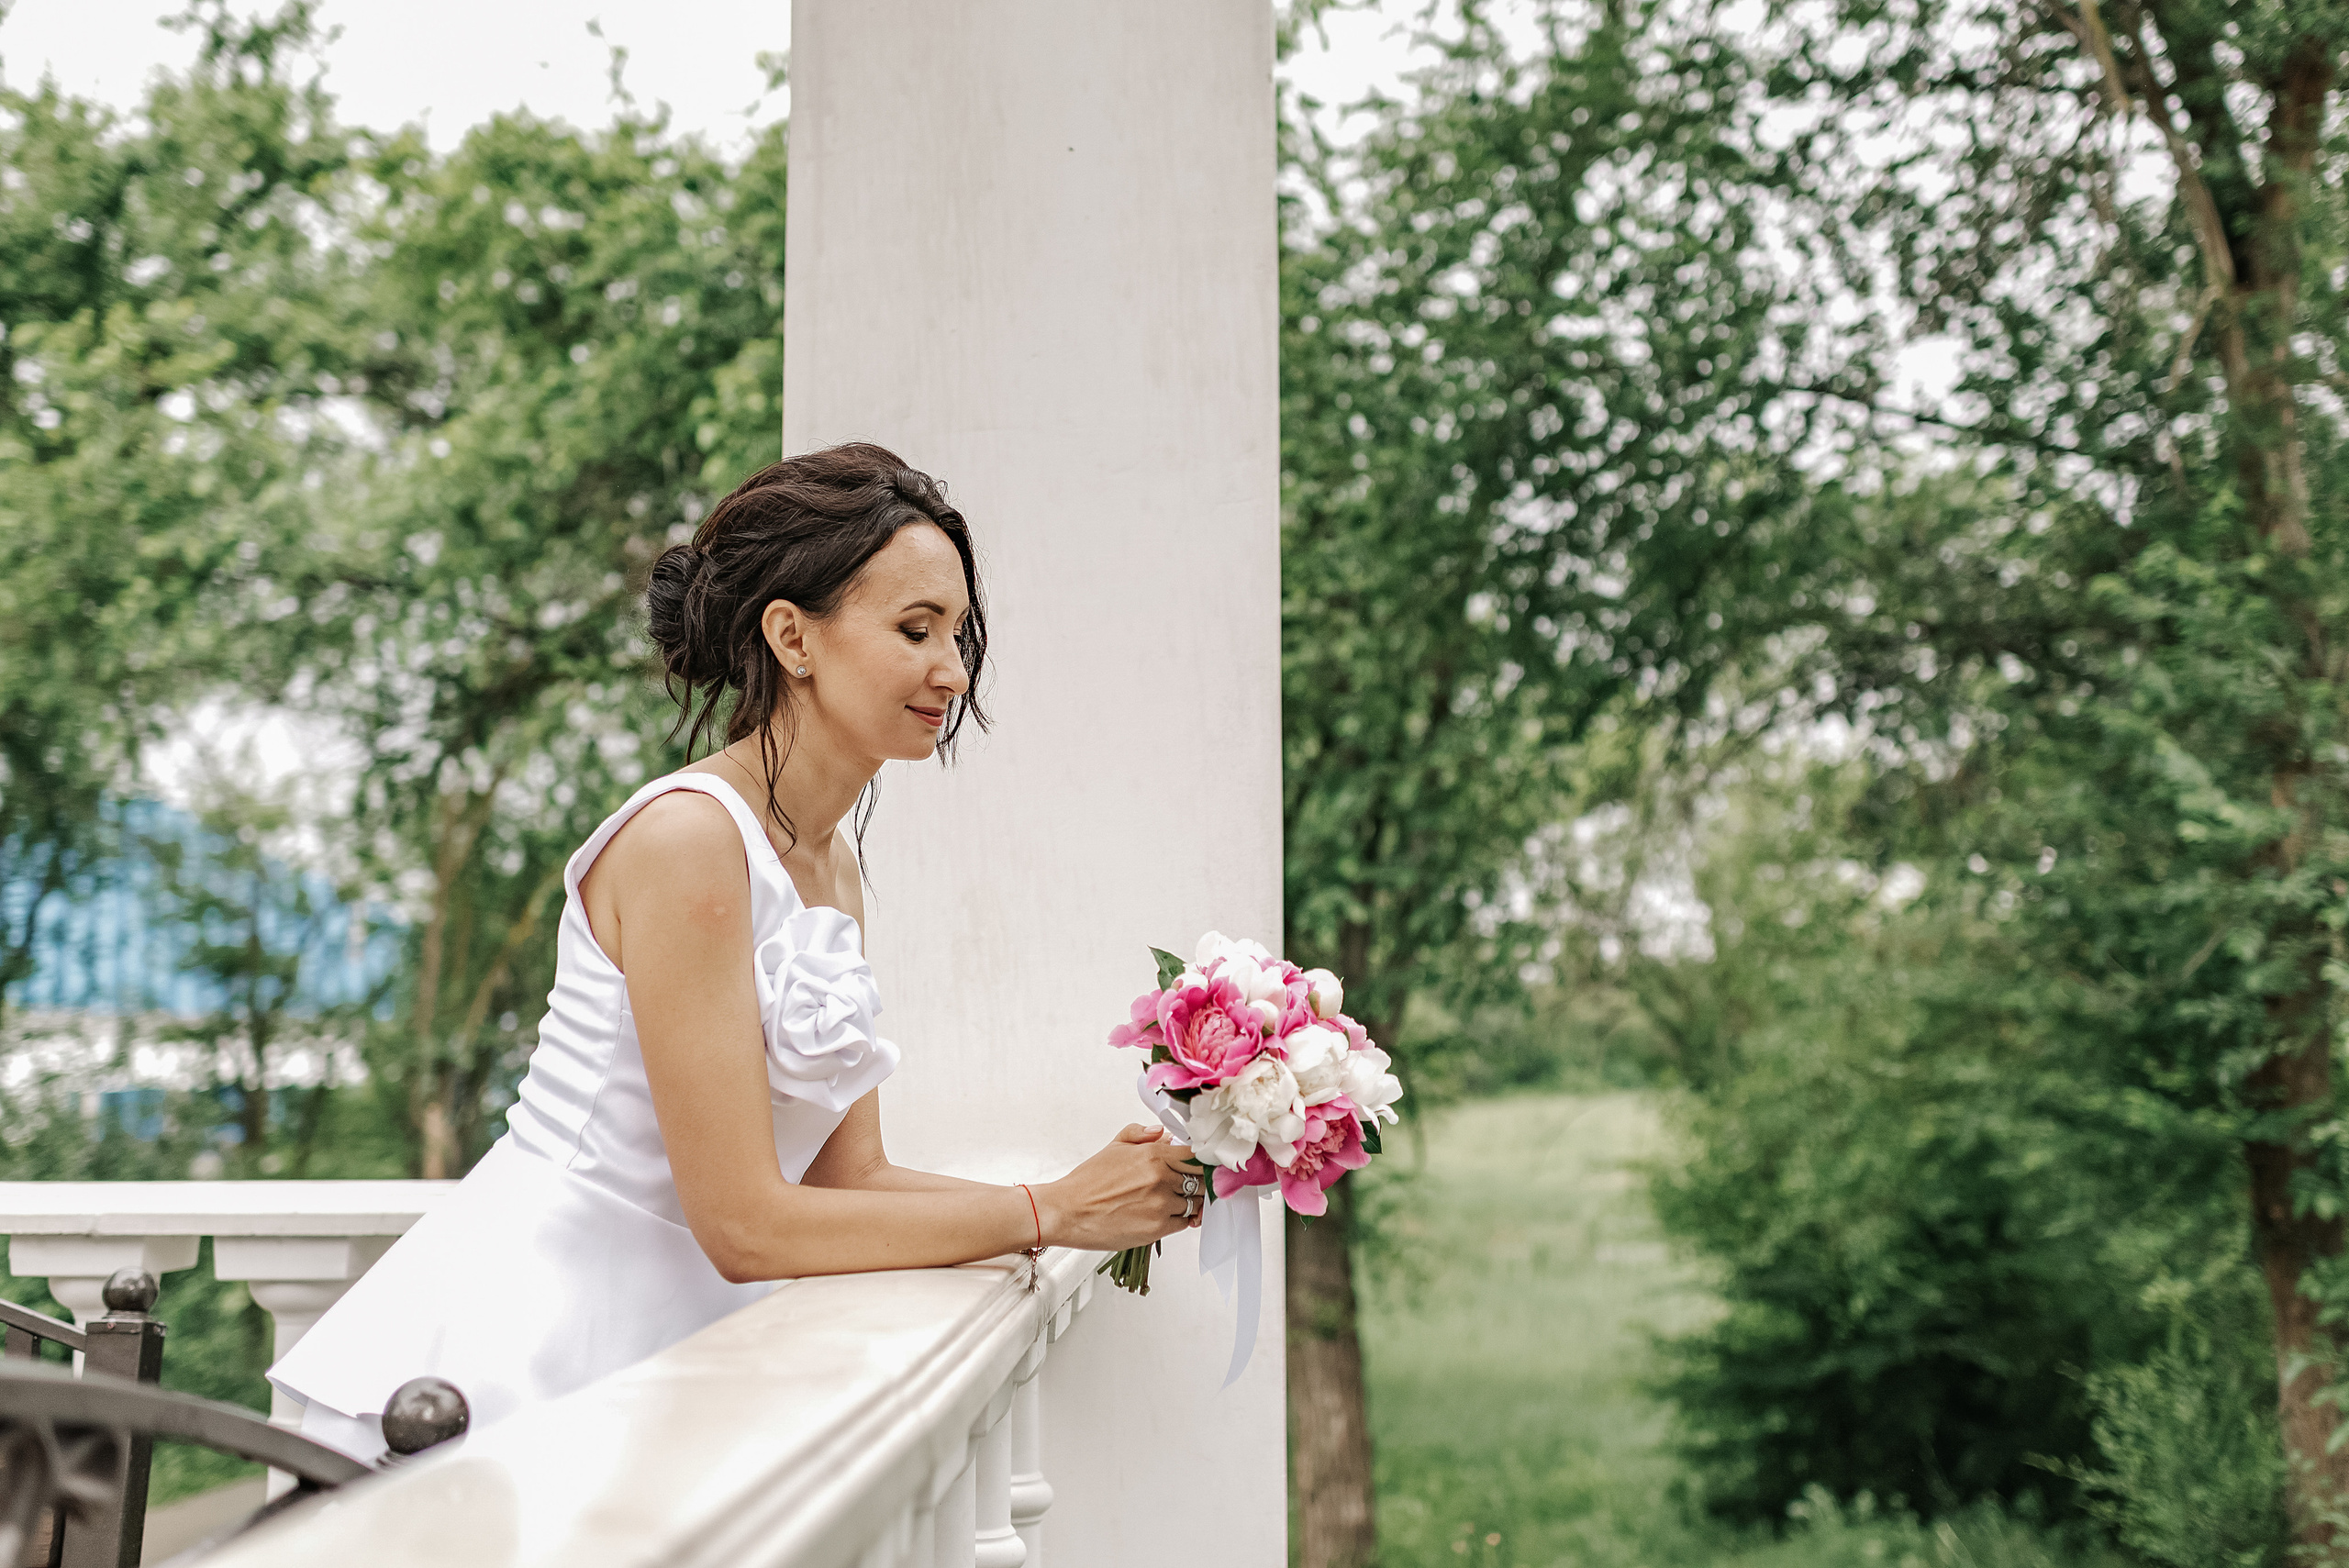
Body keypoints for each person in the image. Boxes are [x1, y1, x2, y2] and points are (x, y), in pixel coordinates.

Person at [270, 443, 1203, 1457]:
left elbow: (851, 1179)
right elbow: (746, 1224)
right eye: (915, 628)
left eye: (958, 632)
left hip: (659, 1361)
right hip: (511, 1356)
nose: (951, 669)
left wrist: (1087, 1190)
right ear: (792, 636)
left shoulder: (830, 861)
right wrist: (1048, 1210)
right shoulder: (690, 842)